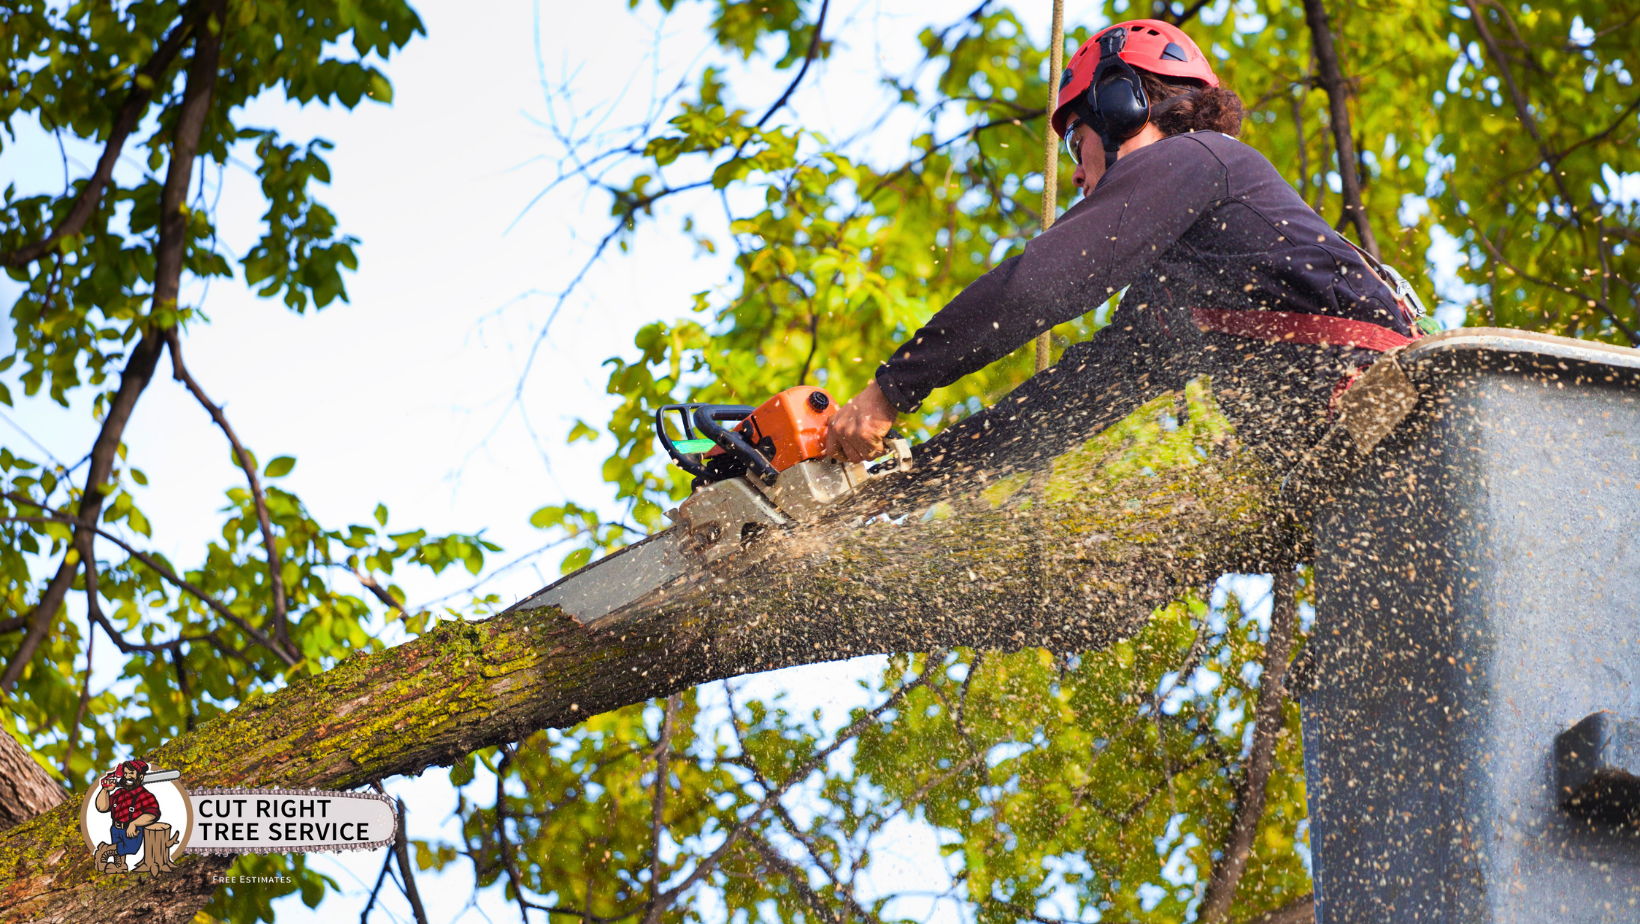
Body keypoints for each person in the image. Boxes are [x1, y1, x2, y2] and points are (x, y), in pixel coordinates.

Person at [823, 19, 1420, 473]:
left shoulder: (1199, 158)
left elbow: (1039, 284)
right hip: (1360, 462)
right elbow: (1071, 401)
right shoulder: (1179, 285)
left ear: (1121, 106)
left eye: (1076, 138)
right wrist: (912, 475)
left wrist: (889, 390)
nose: (1076, 175)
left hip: (1396, 415)